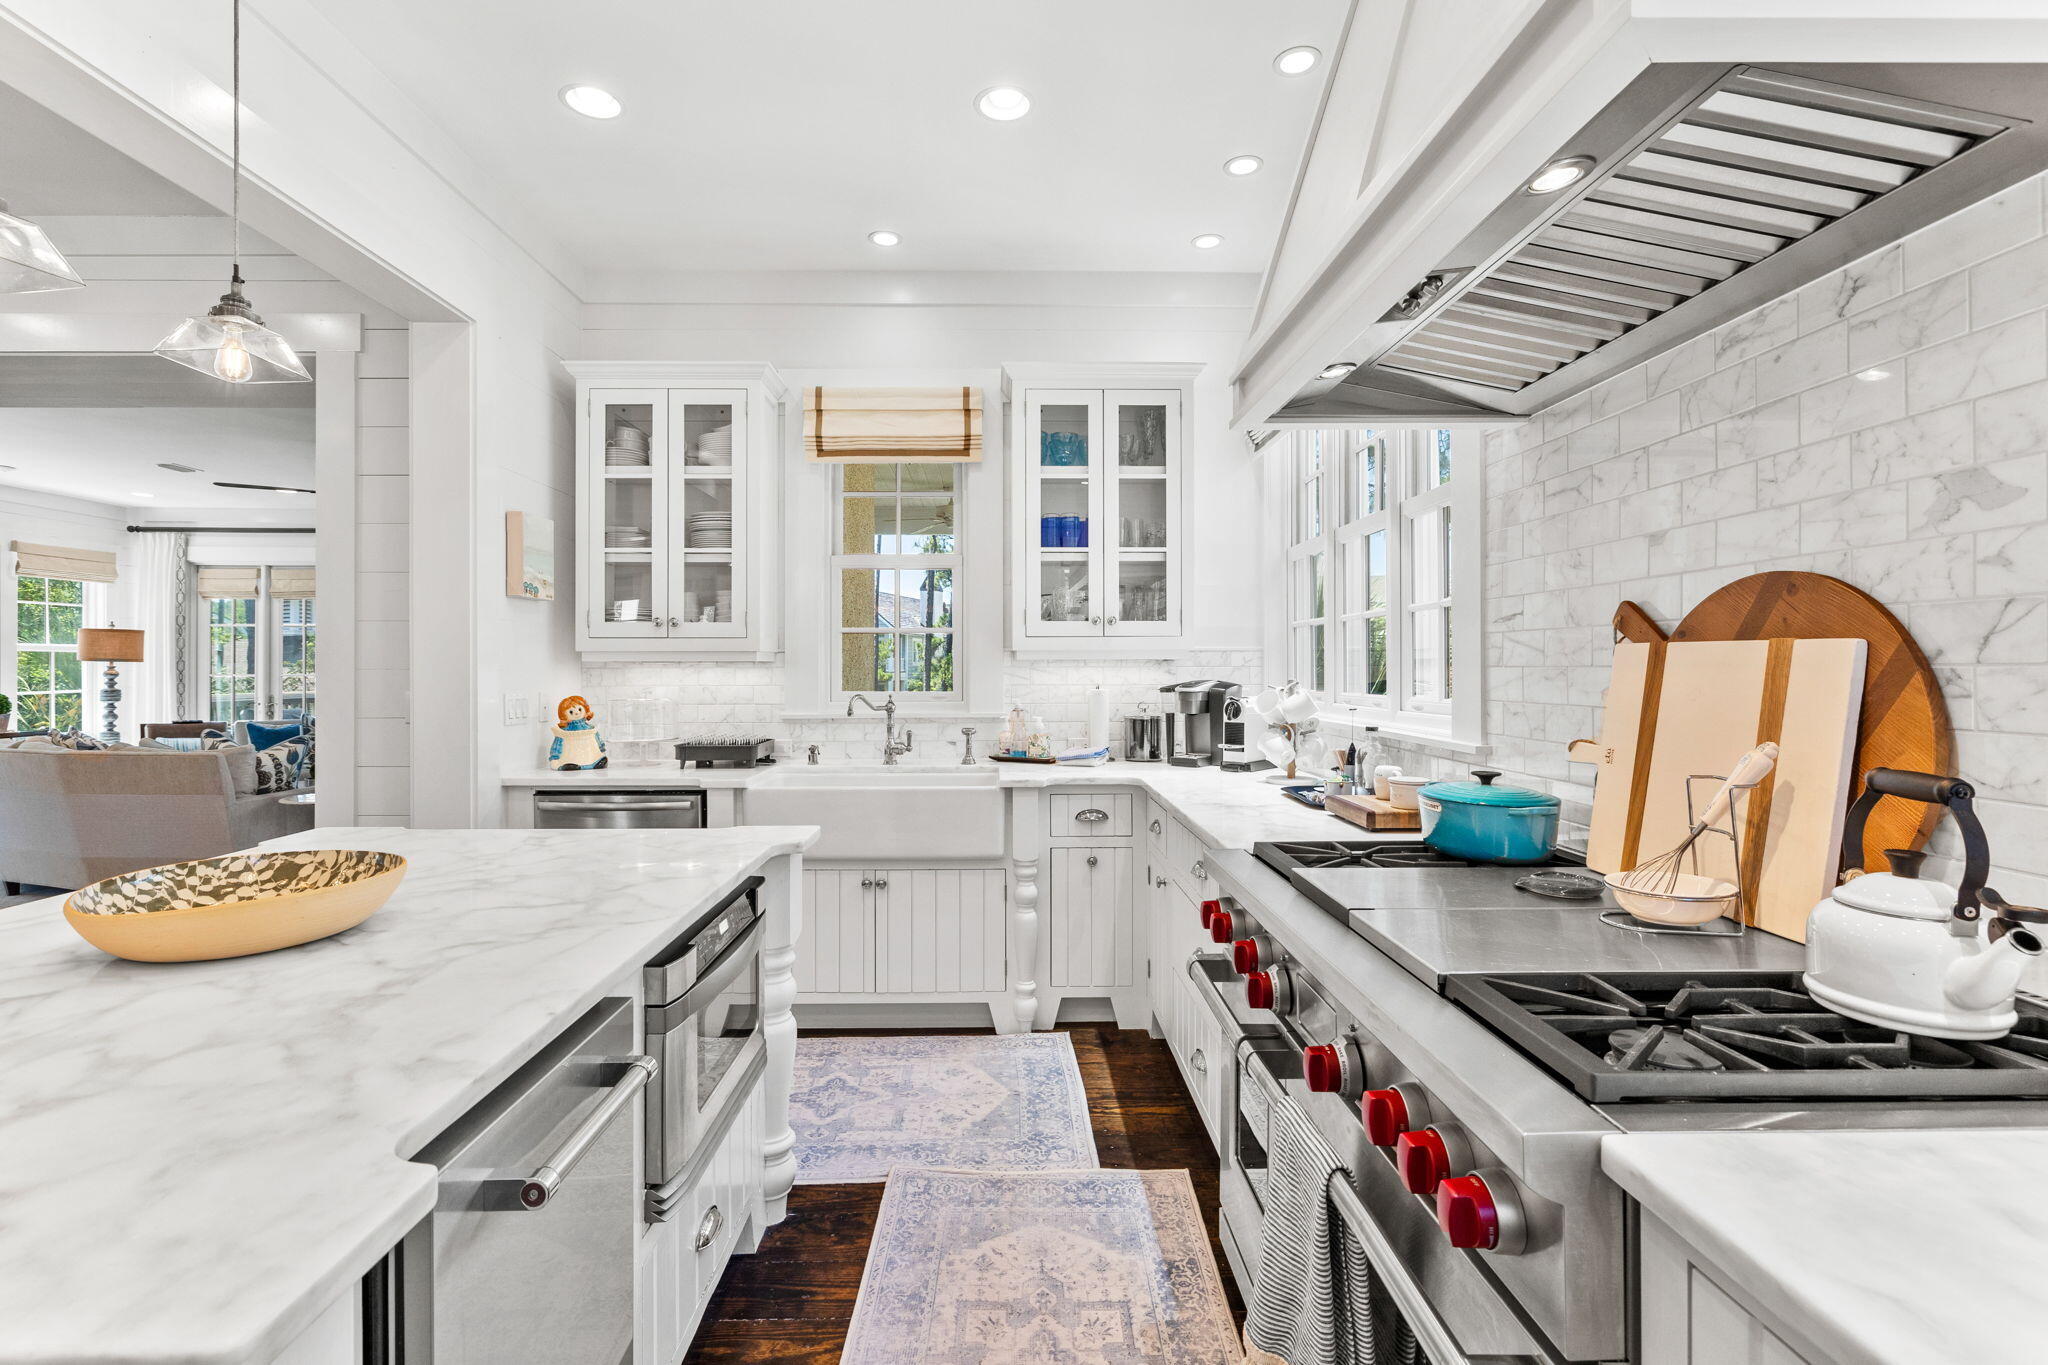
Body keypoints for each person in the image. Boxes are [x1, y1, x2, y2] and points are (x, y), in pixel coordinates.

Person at [548, 695, 608, 770]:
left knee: (597, 757)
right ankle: (568, 766)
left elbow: (598, 739)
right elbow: (557, 744)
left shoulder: (591, 728)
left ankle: (596, 762)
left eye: (579, 709)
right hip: (570, 758)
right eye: (571, 711)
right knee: (568, 760)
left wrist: (602, 749)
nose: (576, 713)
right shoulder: (564, 732)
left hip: (591, 757)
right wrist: (555, 758)